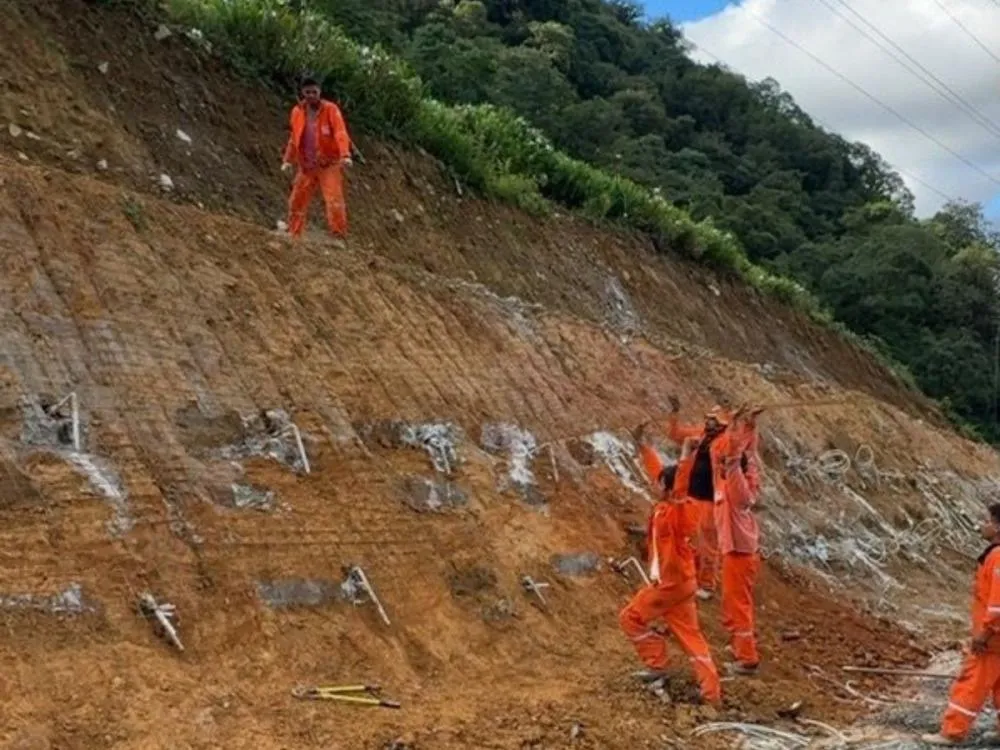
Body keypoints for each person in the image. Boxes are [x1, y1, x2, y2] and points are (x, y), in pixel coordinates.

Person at [618, 424, 722, 705]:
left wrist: (686, 454)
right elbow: (659, 473)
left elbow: (679, 483)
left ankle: (657, 664)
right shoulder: (669, 504)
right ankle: (711, 691)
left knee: (630, 618)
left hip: (669, 585)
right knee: (691, 637)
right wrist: (642, 446)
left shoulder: (679, 510)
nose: (655, 484)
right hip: (683, 584)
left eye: (661, 483)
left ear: (668, 487)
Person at [922, 503, 1000, 746]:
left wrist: (985, 633)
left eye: (987, 520)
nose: (982, 525)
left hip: (993, 638)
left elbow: (997, 604)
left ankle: (952, 732)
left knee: (971, 683)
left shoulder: (997, 557)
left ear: (998, 526)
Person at [664, 396, 733, 600]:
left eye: (713, 420)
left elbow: (735, 449)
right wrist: (674, 414)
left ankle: (707, 583)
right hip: (692, 496)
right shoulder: (702, 435)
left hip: (710, 500)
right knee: (689, 538)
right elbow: (675, 434)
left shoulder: (724, 443)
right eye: (709, 419)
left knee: (707, 544)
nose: (709, 422)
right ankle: (689, 574)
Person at [715, 405, 764, 676]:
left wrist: (734, 423)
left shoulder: (736, 489)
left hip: (739, 554)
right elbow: (749, 455)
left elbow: (734, 456)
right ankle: (739, 646)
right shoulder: (748, 478)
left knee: (738, 605)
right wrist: (750, 425)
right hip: (740, 552)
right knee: (732, 602)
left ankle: (747, 659)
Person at [281, 76, 353, 240]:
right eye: (308, 92)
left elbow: (340, 132)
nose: (311, 95)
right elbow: (294, 138)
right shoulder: (297, 112)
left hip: (329, 164)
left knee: (334, 200)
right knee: (296, 201)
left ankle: (338, 235)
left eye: (314, 92)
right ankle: (294, 234)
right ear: (302, 93)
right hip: (307, 165)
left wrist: (345, 154)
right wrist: (287, 160)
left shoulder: (331, 110)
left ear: (320, 91)